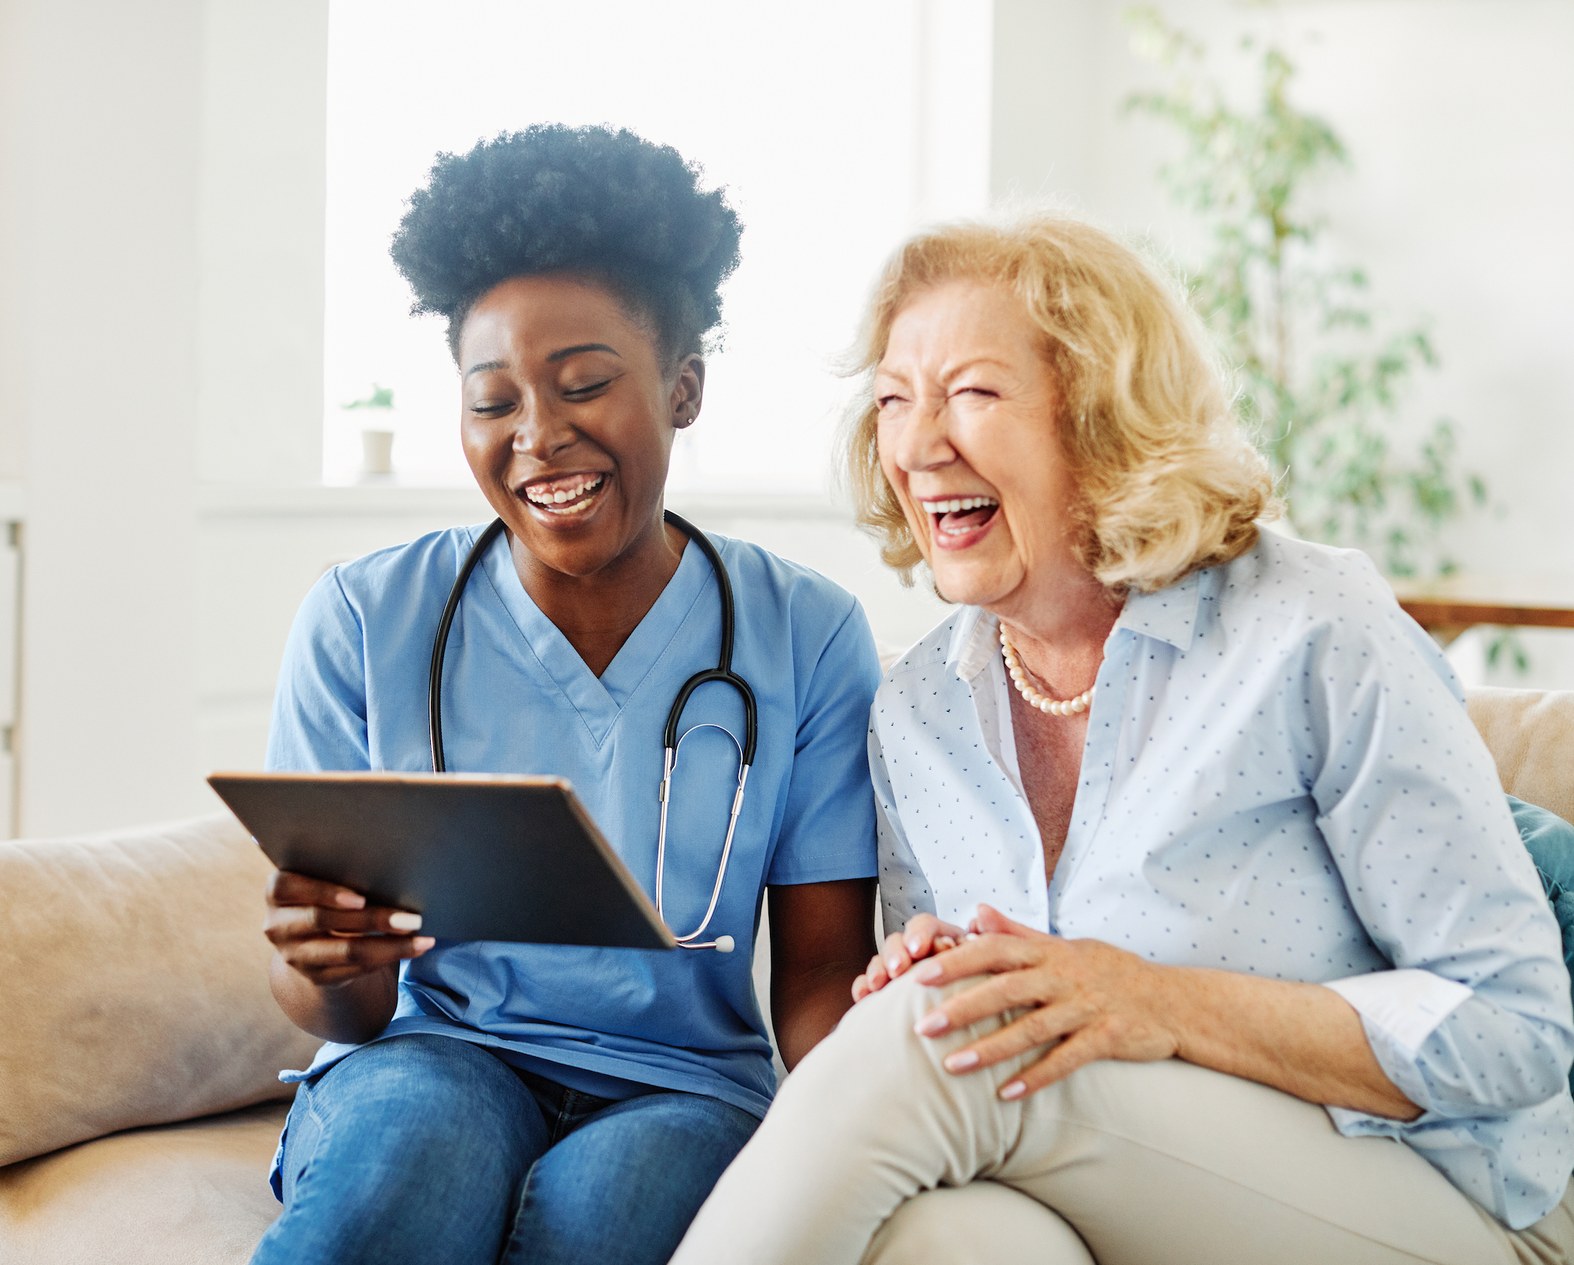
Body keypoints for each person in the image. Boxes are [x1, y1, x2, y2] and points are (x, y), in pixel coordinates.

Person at [669, 211, 1574, 1264]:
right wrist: (951, 968)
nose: (916, 446)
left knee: (938, 1043)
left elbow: (1514, 1029)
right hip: (1135, 1193)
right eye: (892, 401)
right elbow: (1014, 1046)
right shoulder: (920, 708)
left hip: (1442, 1198)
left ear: (1101, 417)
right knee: (944, 1233)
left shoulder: (1312, 625)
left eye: (971, 392)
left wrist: (1150, 1000)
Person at [250, 125, 882, 1265]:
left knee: (610, 1211)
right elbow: (347, 1012)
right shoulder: (361, 622)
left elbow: (822, 975)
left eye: (585, 384)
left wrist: (897, 1107)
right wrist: (322, 970)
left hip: (686, 1090)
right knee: (412, 1155)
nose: (539, 437)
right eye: (493, 401)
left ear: (683, 387)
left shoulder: (809, 636)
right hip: (434, 1055)